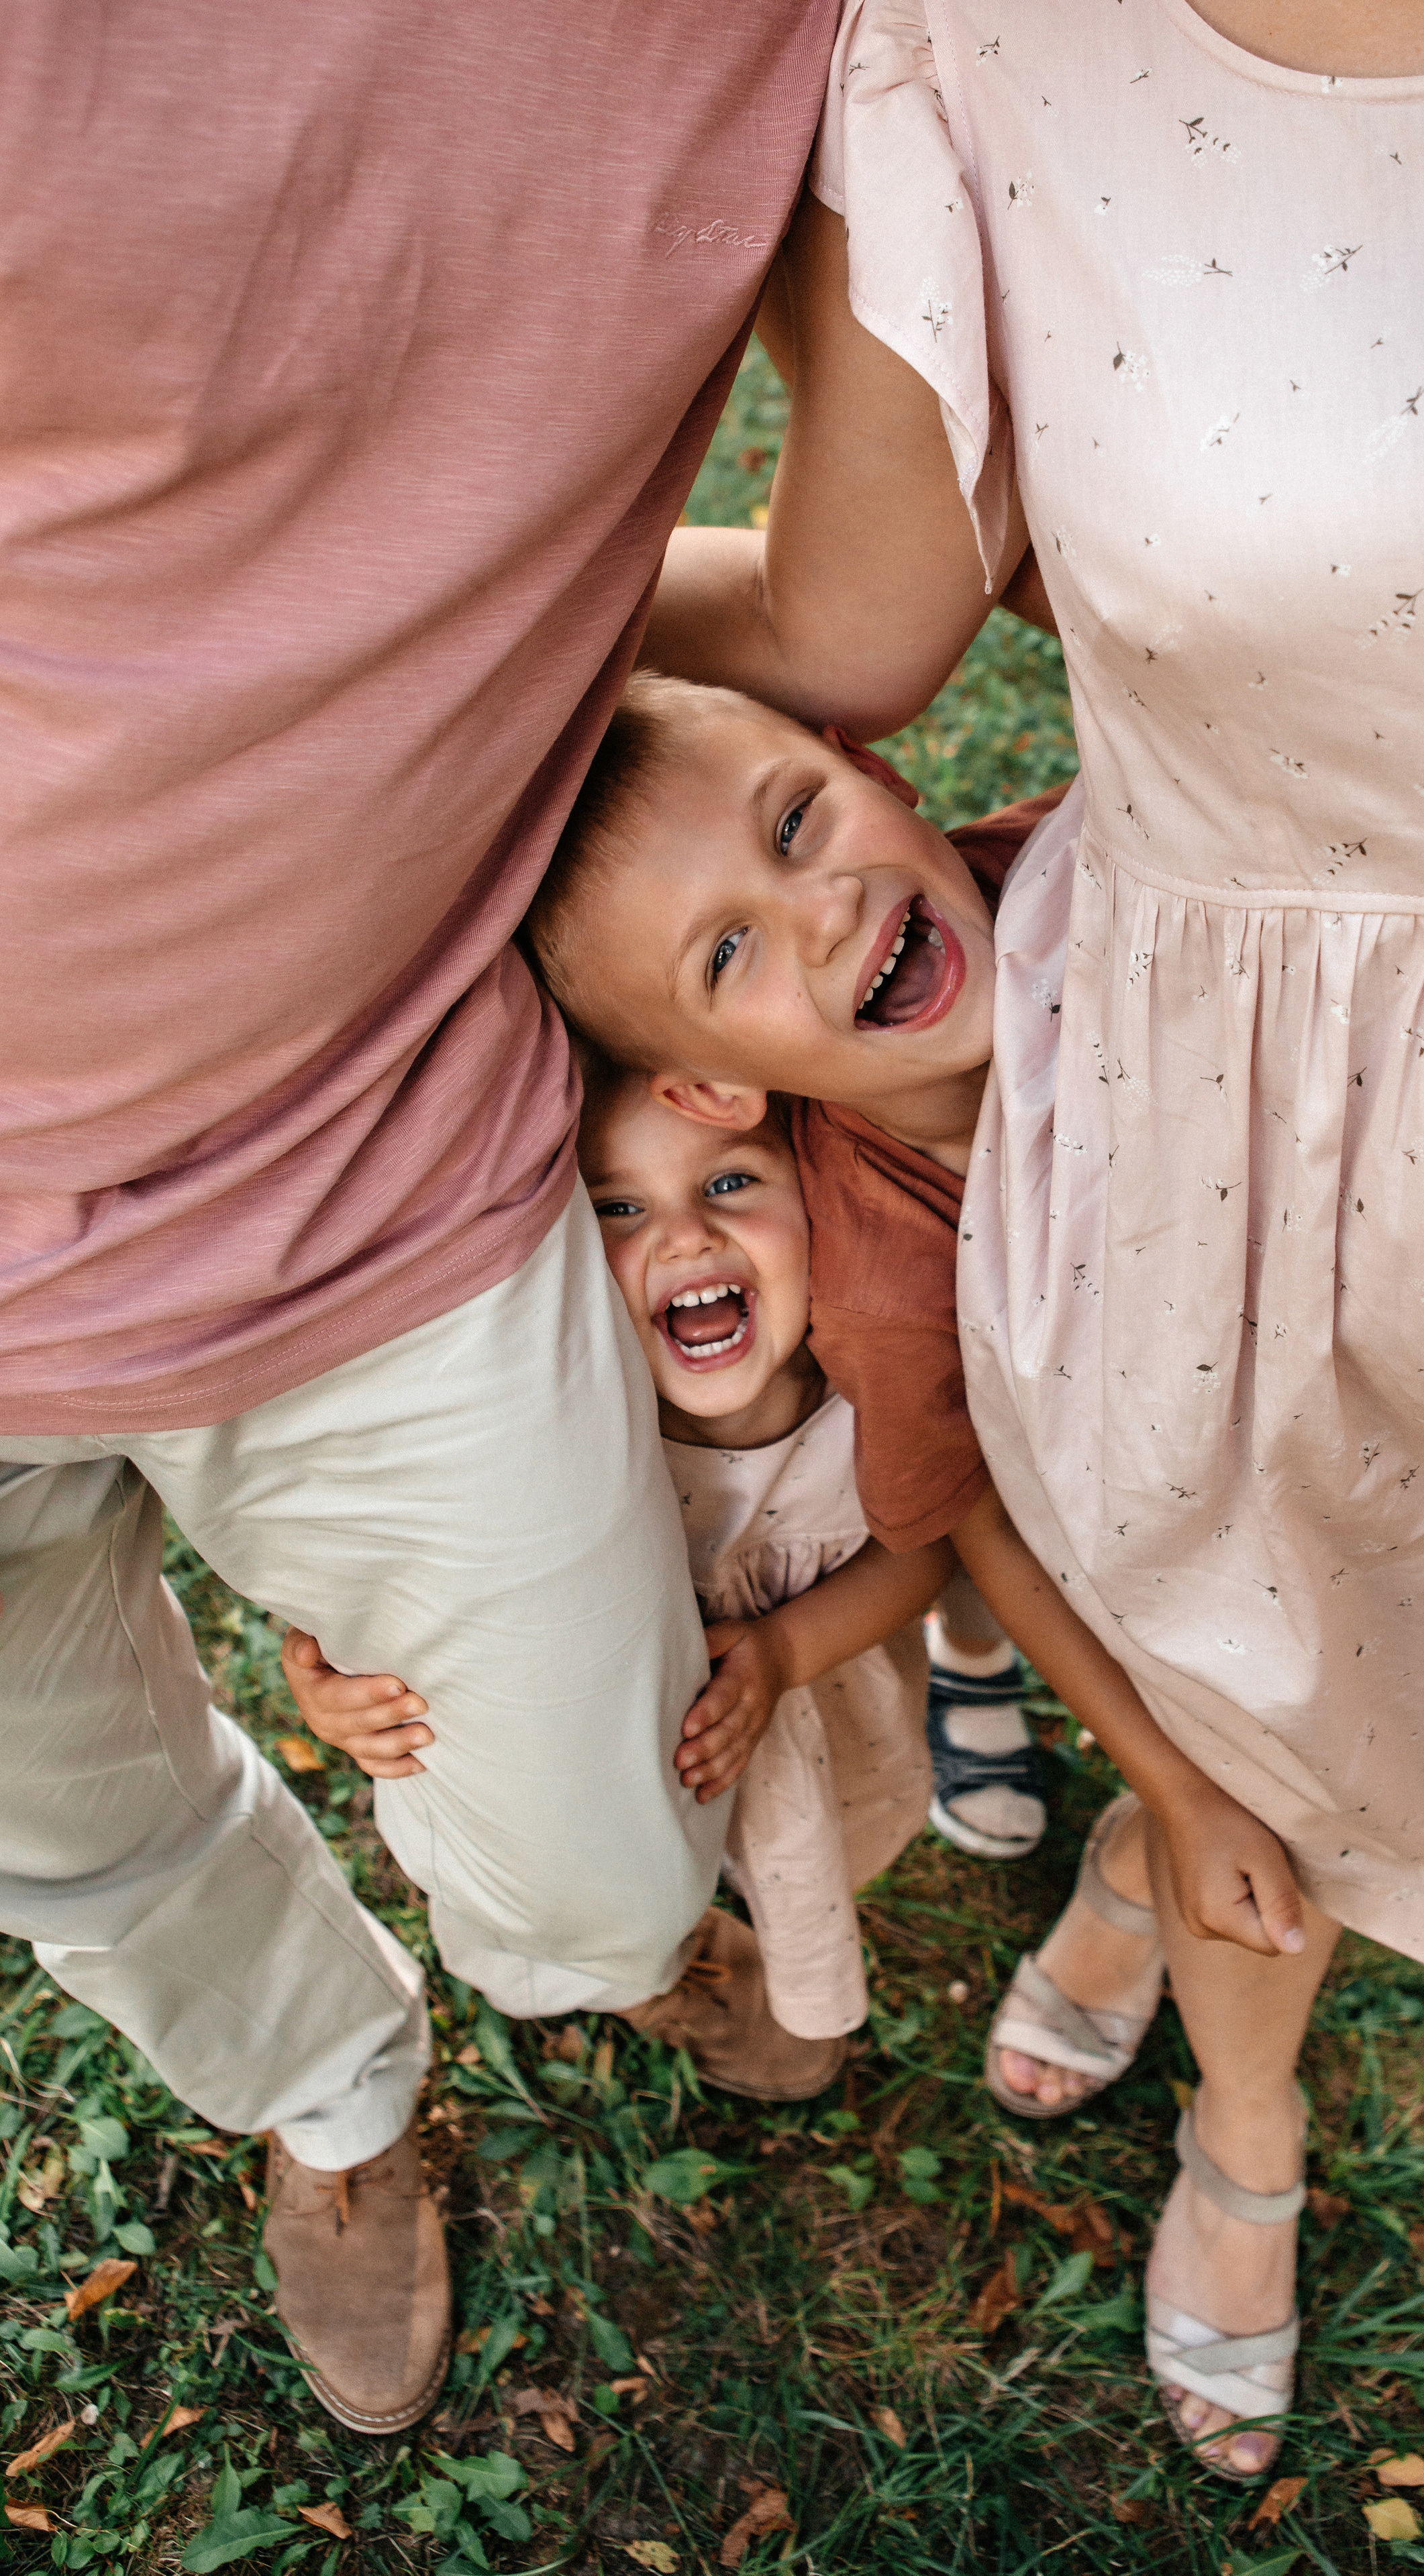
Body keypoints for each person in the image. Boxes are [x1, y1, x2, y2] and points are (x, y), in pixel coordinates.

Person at [642, 0, 1424, 2479]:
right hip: (1239, 1140)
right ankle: (1249, 2120)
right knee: (1238, 1669)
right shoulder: (971, 37)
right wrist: (389, 655)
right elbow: (855, 629)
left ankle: (1134, 1857)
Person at [0, 0, 838, 2437]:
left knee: (604, 1866)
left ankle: (584, 1945)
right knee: (81, 1833)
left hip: (367, 1170)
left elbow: (863, 613)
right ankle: (337, 2103)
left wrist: (459, 620)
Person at [289, 686, 1305, 2078]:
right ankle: (967, 1695)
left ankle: (975, 1674)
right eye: (728, 949)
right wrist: (338, 1679)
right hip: (1018, 1491)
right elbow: (956, 1527)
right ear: (709, 1081)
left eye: (794, 822)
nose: (819, 909)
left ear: (861, 761)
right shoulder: (872, 1302)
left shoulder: (1118, 880)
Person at [289, 1069, 951, 2093]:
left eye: (731, 1183)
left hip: (808, 1715)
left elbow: (924, 1549)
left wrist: (784, 1652)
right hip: (594, 1751)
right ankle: (629, 1974)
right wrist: (333, 1687)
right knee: (597, 1879)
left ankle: (764, 1944)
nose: (685, 1236)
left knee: (794, 1849)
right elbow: (412, 1569)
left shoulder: (863, 1392)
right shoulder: (550, 1434)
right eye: (618, 1208)